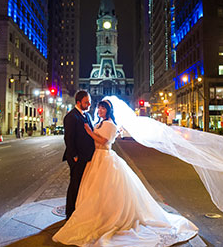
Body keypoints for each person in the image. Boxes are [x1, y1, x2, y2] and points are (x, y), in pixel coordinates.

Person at [53, 99, 198, 246]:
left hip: (105, 157)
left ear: (108, 111)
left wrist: (90, 132)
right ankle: (95, 214)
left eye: (102, 109)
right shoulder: (100, 122)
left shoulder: (110, 124)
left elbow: (104, 141)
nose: (99, 111)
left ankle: (108, 216)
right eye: (99, 108)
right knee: (94, 189)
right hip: (96, 158)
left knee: (107, 189)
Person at [62, 90, 95, 220]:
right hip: (77, 158)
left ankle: (79, 208)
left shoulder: (87, 116)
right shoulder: (71, 117)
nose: (89, 104)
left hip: (87, 157)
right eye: (86, 102)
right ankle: (69, 213)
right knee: (75, 185)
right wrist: (74, 156)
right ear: (78, 102)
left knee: (83, 184)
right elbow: (68, 139)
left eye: (89, 102)